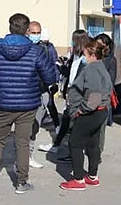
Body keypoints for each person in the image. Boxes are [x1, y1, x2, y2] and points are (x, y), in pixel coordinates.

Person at [0, 13, 56, 194]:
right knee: (22, 142)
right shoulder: (35, 51)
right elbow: (50, 76)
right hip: (27, 104)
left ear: (10, 27)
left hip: (0, 103)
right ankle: (22, 182)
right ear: (27, 30)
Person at [59, 39, 113, 191]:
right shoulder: (101, 66)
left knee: (75, 143)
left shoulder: (91, 69)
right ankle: (92, 176)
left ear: (91, 54)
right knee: (92, 143)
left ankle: (78, 179)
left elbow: (94, 94)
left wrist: (82, 109)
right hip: (100, 111)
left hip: (90, 112)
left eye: (85, 53)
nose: (83, 55)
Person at [44, 30, 90, 161]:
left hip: (78, 94)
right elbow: (71, 72)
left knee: (73, 124)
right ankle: (57, 145)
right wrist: (61, 67)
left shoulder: (85, 58)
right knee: (66, 120)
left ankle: (75, 153)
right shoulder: (74, 56)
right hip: (70, 91)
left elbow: (81, 77)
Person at [27, 21, 58, 169]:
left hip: (41, 91)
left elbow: (49, 69)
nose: (36, 35)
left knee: (35, 125)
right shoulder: (23, 48)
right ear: (27, 32)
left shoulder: (43, 49)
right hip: (26, 93)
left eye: (37, 33)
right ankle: (24, 156)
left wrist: (51, 83)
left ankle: (28, 155)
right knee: (25, 126)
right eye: (33, 32)